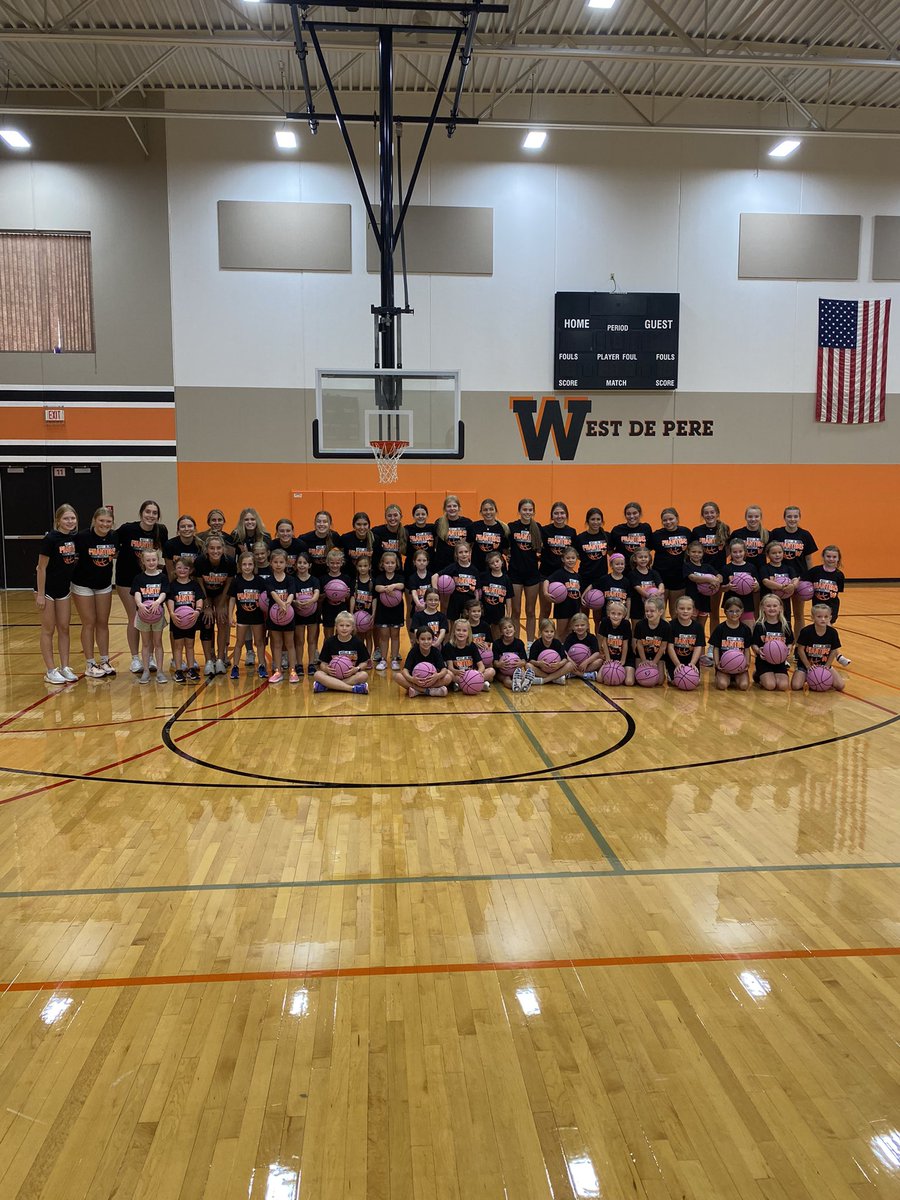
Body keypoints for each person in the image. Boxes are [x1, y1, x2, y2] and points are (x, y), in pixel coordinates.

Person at [115, 499, 168, 674]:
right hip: (126, 579)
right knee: (134, 617)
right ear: (141, 513)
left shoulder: (161, 531)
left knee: (150, 617)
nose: (151, 515)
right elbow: (112, 545)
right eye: (148, 512)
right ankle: (135, 659)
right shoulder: (127, 529)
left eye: (154, 513)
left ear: (158, 516)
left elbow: (166, 554)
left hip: (150, 580)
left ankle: (150, 657)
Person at [35, 502, 80, 684]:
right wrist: (40, 593)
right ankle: (50, 670)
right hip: (47, 589)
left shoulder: (74, 538)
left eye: (72, 518)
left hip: (63, 589)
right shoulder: (50, 539)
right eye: (66, 518)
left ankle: (65, 667)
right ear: (58, 520)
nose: (70, 521)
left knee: (64, 628)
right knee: (48, 629)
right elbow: (41, 568)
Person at [72, 505, 118, 678]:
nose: (105, 524)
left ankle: (105, 660)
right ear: (94, 520)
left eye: (108, 521)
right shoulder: (82, 537)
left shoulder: (114, 537)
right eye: (101, 521)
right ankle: (90, 663)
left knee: (103, 622)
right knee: (89, 622)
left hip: (104, 584)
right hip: (82, 584)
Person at [770, 505, 818, 633]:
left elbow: (808, 559)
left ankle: (798, 642)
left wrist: (810, 578)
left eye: (795, 516)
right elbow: (769, 552)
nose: (792, 519)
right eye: (789, 516)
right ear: (784, 518)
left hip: (800, 578)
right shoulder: (776, 533)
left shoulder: (805, 535)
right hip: (781, 579)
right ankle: (783, 641)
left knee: (798, 614)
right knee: (781, 614)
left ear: (799, 517)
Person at [195, 533, 236, 675]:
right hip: (205, 593)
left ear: (223, 549)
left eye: (218, 548)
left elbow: (229, 584)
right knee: (207, 621)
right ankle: (208, 660)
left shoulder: (229, 562)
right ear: (206, 549)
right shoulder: (200, 561)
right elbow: (200, 584)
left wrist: (222, 604)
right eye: (212, 548)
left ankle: (220, 658)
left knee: (222, 619)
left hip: (221, 593)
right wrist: (206, 606)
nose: (215, 551)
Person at [131, 547, 169, 684]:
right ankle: (146, 671)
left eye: (154, 559)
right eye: (148, 560)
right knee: (146, 643)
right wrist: (140, 604)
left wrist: (158, 602)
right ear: (143, 561)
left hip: (157, 615)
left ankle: (160, 671)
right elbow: (137, 593)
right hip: (143, 615)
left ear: (158, 560)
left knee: (158, 643)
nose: (151, 562)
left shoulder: (162, 577)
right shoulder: (139, 578)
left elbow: (164, 592)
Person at [228, 551, 268, 680]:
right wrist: (230, 616)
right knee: (239, 642)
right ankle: (235, 667)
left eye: (250, 564)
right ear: (240, 565)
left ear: (254, 565)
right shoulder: (236, 581)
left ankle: (262, 665)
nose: (247, 567)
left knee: (259, 642)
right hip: (242, 617)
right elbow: (232, 599)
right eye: (244, 564)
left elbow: (265, 599)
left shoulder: (260, 581)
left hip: (258, 618)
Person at [507, 498, 543, 644]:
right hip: (515, 574)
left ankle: (529, 644)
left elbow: (541, 549)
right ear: (519, 511)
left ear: (533, 511)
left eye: (530, 510)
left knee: (530, 611)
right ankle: (515, 644)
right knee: (515, 611)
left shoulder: (537, 528)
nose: (527, 512)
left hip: (532, 574)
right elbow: (505, 547)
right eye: (524, 509)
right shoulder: (511, 527)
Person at [691, 500, 730, 627]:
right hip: (700, 574)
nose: (709, 515)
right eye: (706, 513)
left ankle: (714, 640)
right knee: (696, 612)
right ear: (702, 515)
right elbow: (692, 550)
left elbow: (728, 549)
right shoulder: (697, 531)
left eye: (712, 512)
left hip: (717, 575)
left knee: (714, 612)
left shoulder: (724, 529)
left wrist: (719, 559)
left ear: (717, 513)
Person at [264, 547, 301, 683]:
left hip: (288, 616)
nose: (278, 565)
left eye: (281, 562)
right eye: (275, 562)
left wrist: (287, 604)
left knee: (290, 644)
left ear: (286, 563)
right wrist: (282, 604)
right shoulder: (269, 580)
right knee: (277, 644)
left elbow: (291, 593)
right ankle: (278, 671)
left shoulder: (290, 579)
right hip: (274, 616)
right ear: (271, 563)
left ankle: (293, 671)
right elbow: (273, 593)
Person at [165, 558, 204, 683]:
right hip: (177, 620)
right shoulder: (173, 585)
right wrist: (171, 613)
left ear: (190, 570)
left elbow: (199, 599)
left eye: (186, 568)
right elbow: (170, 600)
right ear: (175, 569)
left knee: (190, 645)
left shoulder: (194, 585)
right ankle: (178, 670)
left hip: (191, 620)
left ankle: (191, 668)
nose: (182, 570)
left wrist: (197, 611)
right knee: (178, 646)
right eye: (179, 568)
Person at [682, 540, 720, 663]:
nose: (696, 554)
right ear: (688, 553)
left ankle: (701, 656)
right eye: (693, 552)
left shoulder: (707, 567)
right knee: (690, 628)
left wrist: (716, 581)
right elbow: (693, 577)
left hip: (704, 601)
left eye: (699, 552)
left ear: (703, 553)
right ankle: (688, 655)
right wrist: (709, 580)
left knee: (700, 629)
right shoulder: (687, 566)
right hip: (692, 602)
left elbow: (719, 576)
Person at [313, 611, 370, 694]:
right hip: (332, 676)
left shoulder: (358, 642)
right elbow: (323, 663)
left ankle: (328, 686)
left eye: (347, 625)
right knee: (317, 674)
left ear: (352, 627)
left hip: (350, 676)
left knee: (363, 675)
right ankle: (352, 688)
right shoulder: (329, 642)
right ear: (336, 626)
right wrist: (326, 669)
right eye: (341, 625)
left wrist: (356, 669)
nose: (344, 628)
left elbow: (364, 662)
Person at [792, 603, 845, 692]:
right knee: (796, 686)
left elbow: (833, 650)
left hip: (823, 665)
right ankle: (808, 677)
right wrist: (808, 666)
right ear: (812, 617)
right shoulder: (806, 631)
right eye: (819, 616)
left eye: (826, 616)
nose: (823, 619)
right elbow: (800, 650)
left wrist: (827, 666)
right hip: (805, 666)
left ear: (830, 618)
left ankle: (819, 679)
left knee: (840, 686)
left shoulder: (832, 632)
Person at [538, 502, 577, 621]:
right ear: (552, 516)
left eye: (562, 513)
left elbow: (573, 553)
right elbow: (537, 549)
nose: (559, 516)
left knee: (565, 610)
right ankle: (542, 632)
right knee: (545, 609)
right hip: (546, 573)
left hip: (564, 576)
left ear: (566, 515)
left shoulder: (571, 532)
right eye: (556, 513)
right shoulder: (544, 530)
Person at [650, 507, 691, 617]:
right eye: (665, 520)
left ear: (677, 518)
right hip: (661, 577)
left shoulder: (686, 532)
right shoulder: (656, 535)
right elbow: (644, 551)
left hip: (679, 577)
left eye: (671, 519)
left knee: (676, 613)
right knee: (659, 613)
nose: (668, 522)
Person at [709, 595, 753, 691]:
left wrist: (747, 663)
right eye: (731, 611)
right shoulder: (720, 628)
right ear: (725, 612)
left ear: (742, 611)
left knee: (744, 686)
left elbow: (746, 649)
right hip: (724, 667)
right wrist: (717, 664)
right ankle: (723, 677)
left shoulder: (745, 629)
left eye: (737, 611)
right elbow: (716, 648)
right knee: (722, 685)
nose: (734, 614)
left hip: (740, 667)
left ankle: (735, 679)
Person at [751, 594, 794, 692]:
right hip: (763, 662)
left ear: (780, 608)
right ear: (763, 608)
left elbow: (790, 642)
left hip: (780, 662)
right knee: (770, 686)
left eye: (775, 606)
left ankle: (770, 675)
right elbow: (754, 644)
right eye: (768, 606)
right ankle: (758, 674)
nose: (772, 608)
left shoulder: (785, 625)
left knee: (783, 686)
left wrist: (789, 649)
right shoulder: (759, 625)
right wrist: (758, 651)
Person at [395, 625, 452, 697]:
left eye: (429, 639)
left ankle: (418, 691)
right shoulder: (413, 651)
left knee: (448, 677)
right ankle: (428, 691)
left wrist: (437, 676)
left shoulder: (435, 651)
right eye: (422, 639)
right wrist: (412, 679)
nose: (426, 642)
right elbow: (405, 670)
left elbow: (444, 670)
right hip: (416, 681)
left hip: (432, 681)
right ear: (417, 640)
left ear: (433, 640)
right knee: (397, 676)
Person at [374, 549, 406, 670]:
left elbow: (401, 585)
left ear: (396, 564)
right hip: (383, 611)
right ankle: (383, 660)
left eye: (392, 563)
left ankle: (394, 659)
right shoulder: (380, 577)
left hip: (396, 611)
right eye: (387, 563)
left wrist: (393, 586)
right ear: (382, 564)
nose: (390, 565)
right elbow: (377, 588)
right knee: (384, 636)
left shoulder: (399, 577)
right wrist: (386, 589)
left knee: (395, 635)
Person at [543, 544, 582, 640]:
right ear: (563, 559)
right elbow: (547, 581)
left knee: (570, 632)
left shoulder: (577, 576)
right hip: (562, 609)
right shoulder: (559, 573)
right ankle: (556, 648)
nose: (570, 560)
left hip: (574, 608)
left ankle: (566, 648)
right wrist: (545, 593)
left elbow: (578, 593)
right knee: (560, 633)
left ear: (576, 559)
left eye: (573, 558)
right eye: (568, 558)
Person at [443, 618, 495, 690]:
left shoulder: (472, 645)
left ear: (468, 633)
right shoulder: (449, 646)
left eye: (464, 630)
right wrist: (457, 671)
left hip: (472, 674)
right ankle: (477, 685)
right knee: (448, 673)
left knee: (491, 671)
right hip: (459, 676)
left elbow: (481, 666)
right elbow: (450, 668)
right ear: (454, 631)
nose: (461, 633)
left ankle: (463, 685)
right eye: (458, 630)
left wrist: (476, 674)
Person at [292, 552, 321, 676]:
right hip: (298, 613)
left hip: (312, 613)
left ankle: (311, 664)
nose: (302, 565)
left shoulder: (314, 580)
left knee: (312, 640)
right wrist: (295, 602)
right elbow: (291, 596)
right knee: (299, 640)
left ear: (309, 565)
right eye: (299, 563)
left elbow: (317, 593)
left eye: (304, 563)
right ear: (295, 565)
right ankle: (299, 664)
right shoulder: (293, 580)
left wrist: (312, 600)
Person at [720, 538, 760, 627]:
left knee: (749, 629)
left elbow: (757, 588)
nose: (738, 554)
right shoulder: (726, 568)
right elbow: (722, 588)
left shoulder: (751, 567)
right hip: (731, 602)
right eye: (734, 552)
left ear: (745, 551)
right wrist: (728, 587)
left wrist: (756, 586)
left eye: (740, 551)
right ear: (730, 553)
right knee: (733, 628)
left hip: (747, 603)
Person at [633, 593, 670, 687]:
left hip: (657, 655)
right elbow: (639, 644)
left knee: (660, 681)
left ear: (660, 612)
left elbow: (663, 647)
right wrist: (644, 660)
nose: (648, 613)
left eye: (652, 611)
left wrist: (654, 662)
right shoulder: (640, 625)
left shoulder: (666, 627)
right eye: (646, 611)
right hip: (642, 655)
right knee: (639, 678)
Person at [666, 595, 706, 680]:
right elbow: (670, 647)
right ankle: (669, 671)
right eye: (681, 608)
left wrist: (693, 663)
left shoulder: (698, 627)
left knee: (693, 681)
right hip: (674, 661)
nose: (685, 611)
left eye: (689, 609)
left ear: (693, 610)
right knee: (676, 682)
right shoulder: (670, 626)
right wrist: (677, 664)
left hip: (690, 660)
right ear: (676, 610)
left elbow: (698, 647)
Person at [438, 541, 481, 621]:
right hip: (455, 601)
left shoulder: (474, 570)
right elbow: (435, 576)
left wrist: (476, 603)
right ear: (456, 554)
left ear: (470, 553)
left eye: (466, 552)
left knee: (468, 624)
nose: (463, 554)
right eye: (460, 552)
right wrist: (436, 591)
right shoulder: (452, 567)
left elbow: (477, 590)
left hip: (469, 602)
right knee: (453, 623)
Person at [803, 545, 845, 624]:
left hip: (832, 606)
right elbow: (803, 581)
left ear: (838, 558)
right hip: (817, 605)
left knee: (828, 625)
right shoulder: (815, 571)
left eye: (834, 557)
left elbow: (837, 592)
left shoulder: (839, 575)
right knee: (817, 625)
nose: (831, 559)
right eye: (828, 556)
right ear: (823, 557)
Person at [319, 547, 353, 643]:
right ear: (327, 563)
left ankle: (341, 652)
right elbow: (319, 598)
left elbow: (348, 598)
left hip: (342, 609)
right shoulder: (323, 579)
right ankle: (328, 652)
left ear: (342, 563)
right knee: (328, 636)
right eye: (332, 563)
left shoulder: (346, 578)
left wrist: (346, 595)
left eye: (337, 563)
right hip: (328, 610)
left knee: (342, 635)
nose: (335, 565)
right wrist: (326, 594)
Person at [598, 599, 635, 686]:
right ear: (608, 614)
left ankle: (627, 673)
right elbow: (604, 642)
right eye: (613, 613)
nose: (615, 616)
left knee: (629, 682)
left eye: (619, 614)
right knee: (599, 679)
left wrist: (623, 660)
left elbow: (625, 644)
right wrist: (607, 658)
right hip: (611, 656)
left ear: (623, 615)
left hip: (626, 657)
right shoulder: (604, 622)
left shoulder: (626, 624)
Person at [434, 495, 474, 570]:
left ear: (459, 508)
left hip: (461, 561)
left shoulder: (467, 523)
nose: (452, 508)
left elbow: (471, 543)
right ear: (445, 508)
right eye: (449, 506)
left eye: (454, 506)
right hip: (442, 563)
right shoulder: (439, 522)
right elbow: (435, 541)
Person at [479, 550, 513, 637]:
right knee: (484, 632)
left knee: (497, 634)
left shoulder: (506, 579)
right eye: (492, 563)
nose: (495, 564)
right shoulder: (484, 577)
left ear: (502, 561)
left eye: (497, 561)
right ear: (489, 565)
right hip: (485, 610)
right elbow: (478, 591)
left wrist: (508, 614)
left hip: (499, 611)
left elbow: (508, 597)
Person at [528, 618, 571, 685]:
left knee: (570, 665)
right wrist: (539, 663)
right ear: (540, 632)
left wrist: (559, 664)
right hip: (542, 670)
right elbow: (531, 660)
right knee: (528, 665)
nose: (549, 634)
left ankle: (545, 680)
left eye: (552, 631)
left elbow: (565, 659)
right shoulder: (536, 644)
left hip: (556, 669)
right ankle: (555, 679)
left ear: (554, 632)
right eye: (546, 631)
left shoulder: (557, 643)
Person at [470, 498, 510, 572]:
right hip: (478, 568)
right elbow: (469, 546)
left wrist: (509, 556)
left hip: (497, 570)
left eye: (491, 509)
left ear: (496, 511)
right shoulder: (474, 526)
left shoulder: (503, 528)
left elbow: (506, 550)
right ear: (481, 512)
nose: (488, 512)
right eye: (485, 510)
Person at [627, 546, 664, 624]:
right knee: (636, 628)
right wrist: (649, 595)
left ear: (649, 558)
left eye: (645, 557)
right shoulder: (632, 574)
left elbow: (661, 584)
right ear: (635, 559)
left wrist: (659, 592)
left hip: (652, 607)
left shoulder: (653, 573)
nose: (643, 559)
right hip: (637, 607)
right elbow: (637, 587)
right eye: (640, 557)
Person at [758, 541, 799, 612]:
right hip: (769, 604)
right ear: (767, 555)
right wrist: (782, 587)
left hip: (784, 603)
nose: (777, 555)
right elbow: (766, 582)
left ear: (783, 553)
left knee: (785, 618)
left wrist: (793, 586)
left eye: (780, 552)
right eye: (774, 553)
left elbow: (795, 579)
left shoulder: (788, 568)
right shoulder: (764, 568)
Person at [492, 618, 530, 692]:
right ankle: (514, 685)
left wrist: (521, 663)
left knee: (522, 675)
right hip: (502, 672)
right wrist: (499, 664)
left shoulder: (519, 643)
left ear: (514, 629)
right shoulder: (497, 644)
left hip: (516, 670)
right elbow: (495, 662)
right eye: (504, 628)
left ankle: (525, 684)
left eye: (510, 627)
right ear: (501, 632)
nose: (508, 629)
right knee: (506, 679)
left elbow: (524, 660)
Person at [562, 612, 602, 681]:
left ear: (588, 626)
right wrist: (571, 661)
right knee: (564, 662)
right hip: (573, 663)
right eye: (576, 625)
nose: (579, 627)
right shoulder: (570, 637)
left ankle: (573, 673)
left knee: (599, 661)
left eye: (582, 625)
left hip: (586, 664)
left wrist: (586, 662)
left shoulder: (592, 638)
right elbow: (564, 651)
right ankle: (585, 675)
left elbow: (596, 653)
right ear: (572, 627)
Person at [350, 554, 376, 657]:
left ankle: (368, 657)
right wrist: (351, 613)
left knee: (369, 636)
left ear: (369, 567)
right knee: (358, 637)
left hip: (368, 614)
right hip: (357, 614)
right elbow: (352, 597)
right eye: (360, 566)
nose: (362, 568)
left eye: (365, 566)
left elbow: (374, 599)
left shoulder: (373, 582)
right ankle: (361, 657)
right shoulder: (354, 582)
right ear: (356, 567)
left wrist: (373, 614)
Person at [372, 504, 407, 572]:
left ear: (401, 517)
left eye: (395, 515)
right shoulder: (376, 531)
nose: (392, 518)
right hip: (379, 571)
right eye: (389, 516)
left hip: (397, 571)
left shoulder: (405, 532)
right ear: (385, 517)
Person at [300, 511, 335, 576]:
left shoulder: (335, 537)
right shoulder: (304, 539)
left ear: (330, 524)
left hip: (329, 576)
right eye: (318, 521)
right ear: (315, 523)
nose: (321, 524)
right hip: (310, 576)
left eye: (325, 521)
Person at [341, 512, 375, 578]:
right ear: (353, 525)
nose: (362, 527)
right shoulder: (345, 538)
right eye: (358, 524)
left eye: (365, 524)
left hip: (369, 577)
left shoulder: (375, 539)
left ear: (369, 525)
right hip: (349, 576)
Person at [406, 549, 433, 628]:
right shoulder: (412, 578)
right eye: (419, 560)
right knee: (417, 630)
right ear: (414, 562)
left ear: (427, 562)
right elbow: (414, 592)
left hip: (430, 608)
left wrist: (427, 604)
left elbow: (434, 592)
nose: (422, 562)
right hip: (417, 609)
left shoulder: (431, 576)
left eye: (424, 560)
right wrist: (418, 604)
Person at [404, 503, 436, 570]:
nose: (420, 516)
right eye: (417, 514)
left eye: (423, 514)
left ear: (427, 515)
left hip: (430, 565)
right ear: (413, 516)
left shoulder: (433, 528)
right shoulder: (407, 529)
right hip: (411, 566)